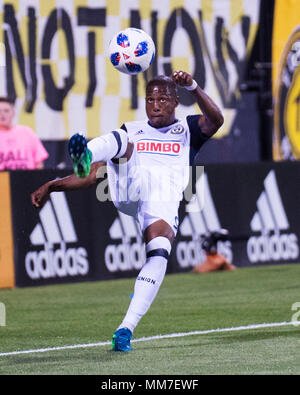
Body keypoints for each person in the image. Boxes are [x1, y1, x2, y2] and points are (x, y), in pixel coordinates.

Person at [31, 70, 224, 352]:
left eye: (162, 98)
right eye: (149, 99)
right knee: (122, 141)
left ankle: (125, 329)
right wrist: (53, 185)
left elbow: (217, 120)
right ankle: (85, 154)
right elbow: (94, 176)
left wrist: (193, 87)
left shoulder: (188, 128)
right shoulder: (133, 128)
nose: (155, 104)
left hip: (161, 200)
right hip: (128, 188)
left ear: (175, 102)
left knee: (159, 252)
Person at [0, 97, 49, 170]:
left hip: (27, 179)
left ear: (13, 112)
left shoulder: (27, 132)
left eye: (6, 111)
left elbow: (39, 162)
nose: (2, 114)